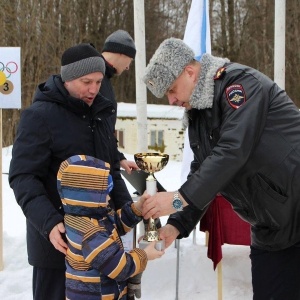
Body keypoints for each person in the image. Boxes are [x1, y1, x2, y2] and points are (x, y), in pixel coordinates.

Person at [142, 37, 300, 300]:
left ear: (190, 73)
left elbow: (232, 151)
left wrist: (178, 199)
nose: (171, 100)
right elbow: (204, 173)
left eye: (171, 90)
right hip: (271, 227)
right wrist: (175, 226)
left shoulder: (240, 86)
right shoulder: (199, 116)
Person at [9, 43, 134, 300]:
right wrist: (49, 222)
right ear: (67, 78)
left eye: (99, 82)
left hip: (100, 244)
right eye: (86, 81)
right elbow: (23, 177)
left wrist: (127, 211)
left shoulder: (100, 114)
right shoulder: (39, 117)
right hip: (58, 245)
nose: (93, 89)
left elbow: (111, 172)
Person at [57, 154, 164, 300]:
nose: (109, 195)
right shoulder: (90, 233)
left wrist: (138, 208)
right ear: (89, 195)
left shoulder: (88, 216)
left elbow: (116, 225)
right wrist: (144, 255)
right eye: (104, 191)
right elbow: (121, 268)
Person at [101, 29, 139, 175]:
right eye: (130, 60)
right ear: (122, 54)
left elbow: (106, 131)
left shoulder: (104, 79)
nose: (128, 67)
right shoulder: (97, 78)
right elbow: (100, 131)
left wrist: (118, 158)